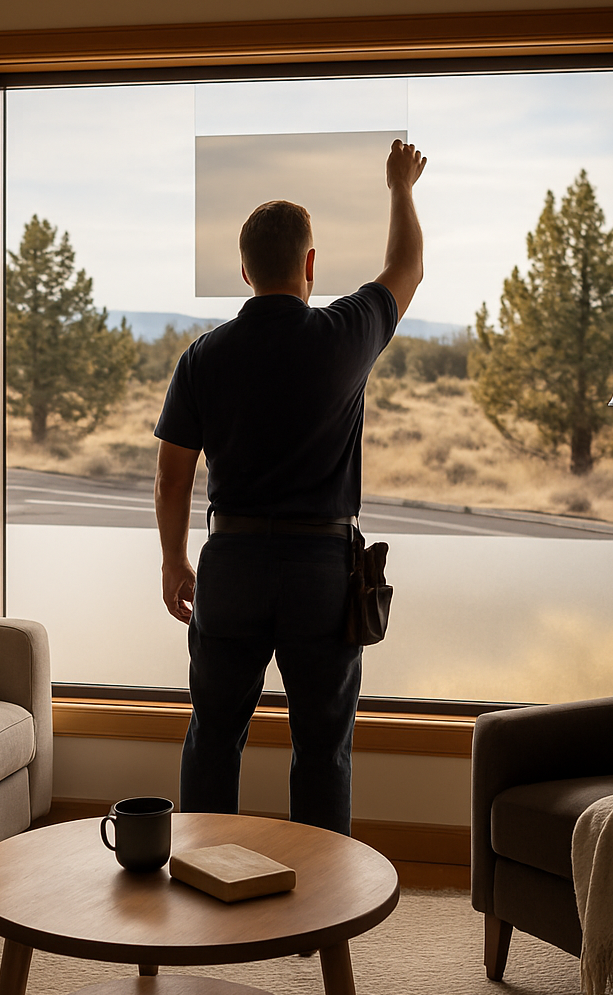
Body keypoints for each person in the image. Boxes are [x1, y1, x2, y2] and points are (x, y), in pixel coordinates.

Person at [153, 139, 426, 834]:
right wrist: (400, 186)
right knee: (323, 749)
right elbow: (406, 268)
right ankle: (324, 913)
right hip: (320, 575)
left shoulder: (204, 356)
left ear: (244, 270)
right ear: (310, 265)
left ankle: (205, 892)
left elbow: (172, 474)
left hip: (232, 565)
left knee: (213, 735)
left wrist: (173, 559)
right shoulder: (345, 333)